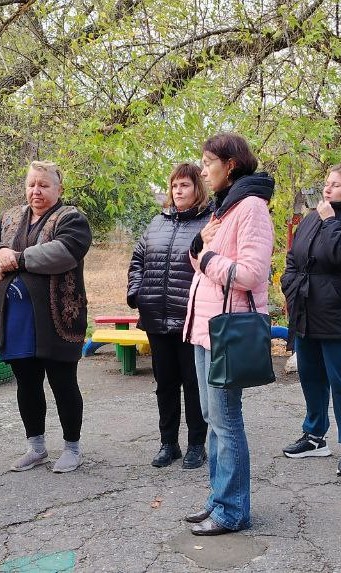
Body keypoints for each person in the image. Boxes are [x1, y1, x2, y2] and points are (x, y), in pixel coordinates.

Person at [182, 133, 274, 536]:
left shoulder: (251, 207)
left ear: (230, 164)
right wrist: (200, 253)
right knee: (211, 417)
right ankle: (219, 500)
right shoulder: (225, 206)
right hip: (206, 328)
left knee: (226, 421)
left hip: (227, 329)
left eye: (208, 162)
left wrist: (207, 258)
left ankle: (232, 509)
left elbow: (251, 274)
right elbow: (202, 259)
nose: (203, 170)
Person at [0, 160, 92, 474]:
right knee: (26, 383)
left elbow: (63, 252)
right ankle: (36, 447)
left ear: (59, 189)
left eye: (43, 184)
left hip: (57, 319)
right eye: (31, 184)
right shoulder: (10, 216)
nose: (36, 190)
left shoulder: (72, 218)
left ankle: (72, 447)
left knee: (63, 382)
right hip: (16, 319)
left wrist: (16, 258)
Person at [280, 164, 341, 477]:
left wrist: (331, 222)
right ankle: (314, 436)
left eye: (335, 185)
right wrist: (290, 285)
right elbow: (293, 257)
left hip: (340, 311)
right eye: (327, 183)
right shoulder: (312, 218)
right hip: (306, 308)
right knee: (311, 376)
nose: (327, 189)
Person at [127, 163, 210, 469]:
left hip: (190, 318)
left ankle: (196, 445)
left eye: (185, 185)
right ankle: (168, 444)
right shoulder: (157, 222)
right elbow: (137, 259)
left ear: (197, 188)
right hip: (156, 317)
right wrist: (138, 293)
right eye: (174, 186)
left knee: (193, 383)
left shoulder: (209, 222)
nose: (178, 191)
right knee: (165, 384)